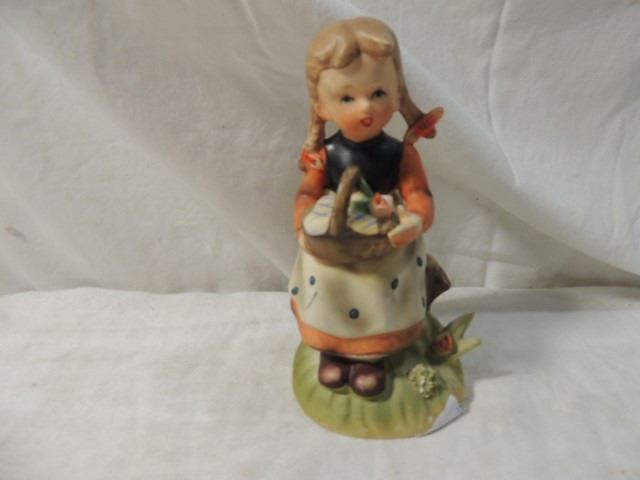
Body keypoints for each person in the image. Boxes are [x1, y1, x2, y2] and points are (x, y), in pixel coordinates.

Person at [289, 17, 443, 397]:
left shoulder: (399, 153)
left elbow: (418, 193)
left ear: (397, 91)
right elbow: (307, 195)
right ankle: (332, 352)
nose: (365, 108)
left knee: (378, 295)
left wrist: (415, 221)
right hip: (334, 243)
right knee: (330, 292)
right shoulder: (325, 156)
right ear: (321, 105)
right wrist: (303, 227)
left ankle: (372, 358)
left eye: (377, 93)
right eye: (347, 98)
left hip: (386, 241)